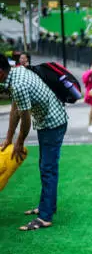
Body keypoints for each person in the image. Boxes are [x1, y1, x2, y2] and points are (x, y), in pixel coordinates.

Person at [0, 54, 68, 230]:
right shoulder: (16, 73)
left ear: (0, 72)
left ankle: (45, 217)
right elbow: (15, 109)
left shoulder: (18, 84)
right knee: (45, 166)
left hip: (52, 123)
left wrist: (19, 142)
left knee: (48, 168)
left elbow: (25, 119)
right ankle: (47, 206)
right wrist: (9, 138)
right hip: (47, 120)